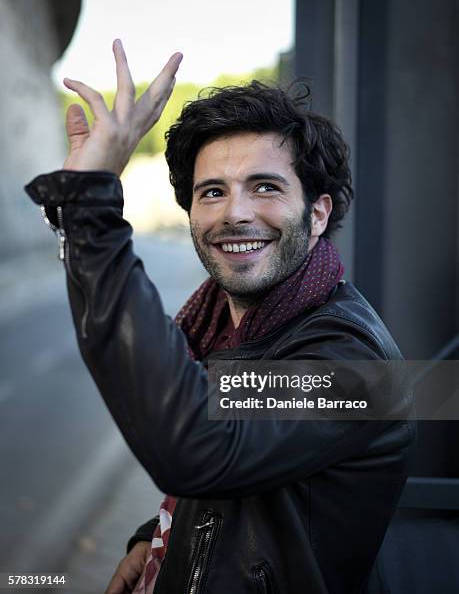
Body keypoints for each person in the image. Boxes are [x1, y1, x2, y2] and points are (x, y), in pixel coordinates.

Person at [25, 39, 415, 593]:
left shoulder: (357, 367)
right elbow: (255, 468)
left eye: (265, 187)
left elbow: (199, 447)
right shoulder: (217, 328)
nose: (235, 213)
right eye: (212, 192)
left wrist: (90, 208)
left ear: (318, 212)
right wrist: (161, 535)